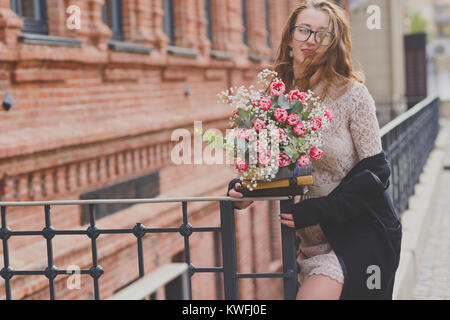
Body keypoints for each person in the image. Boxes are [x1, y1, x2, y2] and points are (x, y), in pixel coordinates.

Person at [227, 0, 399, 300]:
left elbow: (378, 172)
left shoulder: (353, 95)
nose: (311, 41)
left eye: (323, 34)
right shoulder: (275, 97)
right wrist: (247, 190)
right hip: (308, 243)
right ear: (290, 37)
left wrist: (317, 211)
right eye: (304, 30)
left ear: (334, 44)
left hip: (358, 235)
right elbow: (275, 164)